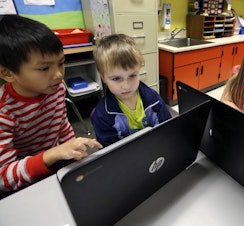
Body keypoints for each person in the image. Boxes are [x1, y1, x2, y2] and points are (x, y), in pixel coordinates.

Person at [0, 15, 102, 196]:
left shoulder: (56, 88)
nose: (58, 75)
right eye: (44, 68)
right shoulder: (4, 111)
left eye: (61, 63)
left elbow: (61, 124)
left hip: (56, 159)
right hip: (22, 176)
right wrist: (53, 154)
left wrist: (74, 147)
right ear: (8, 73)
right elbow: (3, 177)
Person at [91, 34, 172, 147]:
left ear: (139, 70)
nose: (126, 86)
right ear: (103, 77)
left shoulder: (154, 99)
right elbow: (109, 153)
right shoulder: (102, 116)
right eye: (116, 78)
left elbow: (167, 128)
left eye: (132, 76)